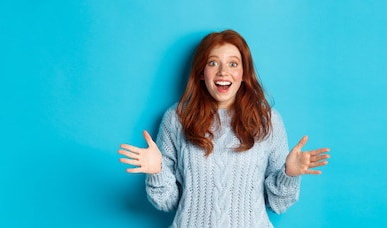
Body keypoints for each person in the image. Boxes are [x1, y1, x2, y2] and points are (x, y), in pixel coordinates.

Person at [118, 29, 330, 227]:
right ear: (201, 72)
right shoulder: (177, 119)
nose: (223, 72)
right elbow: (167, 202)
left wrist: (289, 174)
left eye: (233, 64)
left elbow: (278, 205)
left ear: (244, 73)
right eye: (213, 63)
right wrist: (157, 170)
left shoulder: (268, 120)